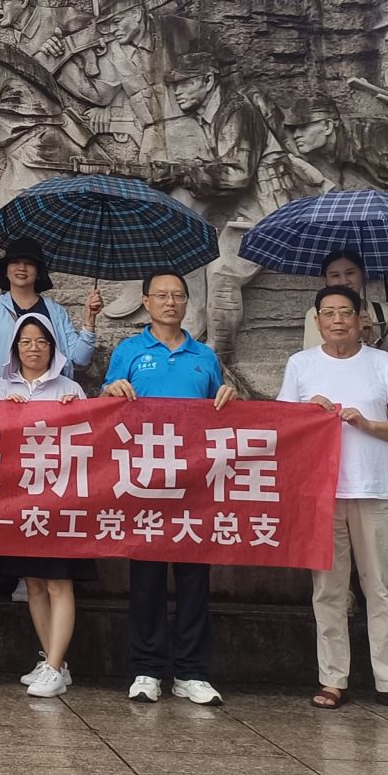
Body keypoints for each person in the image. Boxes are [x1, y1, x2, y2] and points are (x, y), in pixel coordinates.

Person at [279, 283, 388, 713]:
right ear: (317, 320)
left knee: (382, 588)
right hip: (322, 493)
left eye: (346, 311)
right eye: (328, 313)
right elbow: (282, 427)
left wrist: (366, 424)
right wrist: (307, 413)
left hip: (373, 489)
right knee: (328, 590)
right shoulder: (301, 364)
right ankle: (332, 679)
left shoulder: (383, 364)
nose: (338, 320)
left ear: (361, 319)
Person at [103, 272, 235, 707]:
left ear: (187, 302)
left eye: (178, 295)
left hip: (194, 485)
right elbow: (103, 406)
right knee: (146, 580)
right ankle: (146, 669)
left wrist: (230, 397)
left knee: (195, 579)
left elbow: (222, 410)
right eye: (161, 295)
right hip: (144, 482)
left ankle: (192, 672)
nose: (170, 302)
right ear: (146, 302)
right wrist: (111, 390)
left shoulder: (205, 356)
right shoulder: (129, 351)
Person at [0, 313, 96, 698]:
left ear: (53, 348)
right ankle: (54, 663)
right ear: (14, 348)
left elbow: (90, 441)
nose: (33, 348)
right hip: (21, 501)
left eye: (41, 342)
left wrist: (75, 413)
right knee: (34, 583)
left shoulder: (69, 388)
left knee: (58, 581)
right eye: (25, 342)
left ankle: (54, 665)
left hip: (61, 500)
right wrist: (5, 412)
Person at [0, 241, 99, 389]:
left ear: (38, 272)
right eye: (15, 262)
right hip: (5, 395)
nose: (22, 268)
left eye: (29, 263)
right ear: (6, 271)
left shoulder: (56, 312)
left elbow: (80, 360)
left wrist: (89, 320)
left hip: (52, 394)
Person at [300, 250, 388, 361]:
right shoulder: (318, 313)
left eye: (350, 273)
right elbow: (313, 361)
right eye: (335, 275)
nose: (344, 281)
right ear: (326, 280)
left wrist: (374, 338)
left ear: (362, 274)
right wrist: (354, 333)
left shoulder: (382, 313)